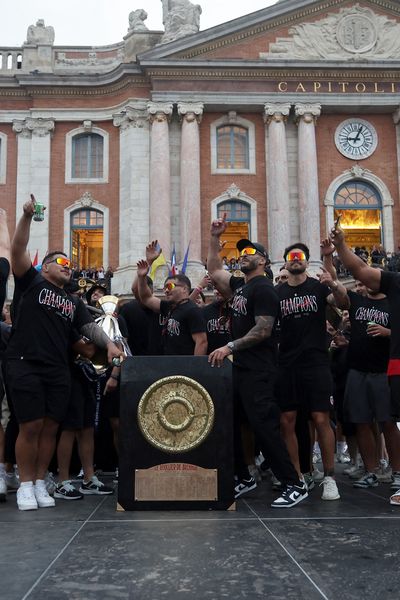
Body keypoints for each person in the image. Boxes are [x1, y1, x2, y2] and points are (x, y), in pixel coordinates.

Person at [4, 195, 122, 511]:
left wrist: (109, 344)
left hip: (57, 368)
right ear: (46, 266)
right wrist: (27, 217)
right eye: (64, 263)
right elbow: (17, 250)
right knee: (29, 426)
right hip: (24, 362)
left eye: (72, 264)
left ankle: (41, 481)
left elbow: (90, 329)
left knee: (51, 427)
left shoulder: (73, 302)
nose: (69, 268)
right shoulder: (31, 282)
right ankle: (25, 485)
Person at [207, 215, 307, 508]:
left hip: (260, 370)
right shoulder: (241, 286)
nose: (242, 256)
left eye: (249, 252)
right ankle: (245, 476)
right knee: (233, 422)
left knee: (265, 428)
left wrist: (229, 346)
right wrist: (214, 238)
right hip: (242, 369)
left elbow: (263, 330)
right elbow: (214, 269)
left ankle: (294, 483)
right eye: (241, 252)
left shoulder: (264, 288)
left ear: (263, 260)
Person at [330, 224, 400, 505]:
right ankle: (374, 471)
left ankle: (396, 472)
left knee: (387, 423)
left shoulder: (391, 295)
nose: (366, 283)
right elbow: (359, 269)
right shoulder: (392, 284)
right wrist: (341, 246)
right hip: (364, 369)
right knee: (362, 420)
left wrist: (388, 333)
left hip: (385, 369)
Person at [276, 242, 349, 501]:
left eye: (301, 256)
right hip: (286, 364)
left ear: (307, 262)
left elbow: (344, 301)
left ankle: (329, 477)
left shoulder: (319, 288)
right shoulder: (277, 293)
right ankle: (298, 477)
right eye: (291, 257)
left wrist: (335, 283)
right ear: (285, 262)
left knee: (320, 419)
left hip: (316, 362)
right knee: (287, 421)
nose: (296, 260)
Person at [136, 261, 207, 356]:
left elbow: (201, 342)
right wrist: (141, 277)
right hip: (169, 364)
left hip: (184, 367)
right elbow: (146, 298)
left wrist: (194, 368)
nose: (166, 291)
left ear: (184, 289)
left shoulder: (192, 310)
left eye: (170, 286)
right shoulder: (170, 307)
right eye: (164, 288)